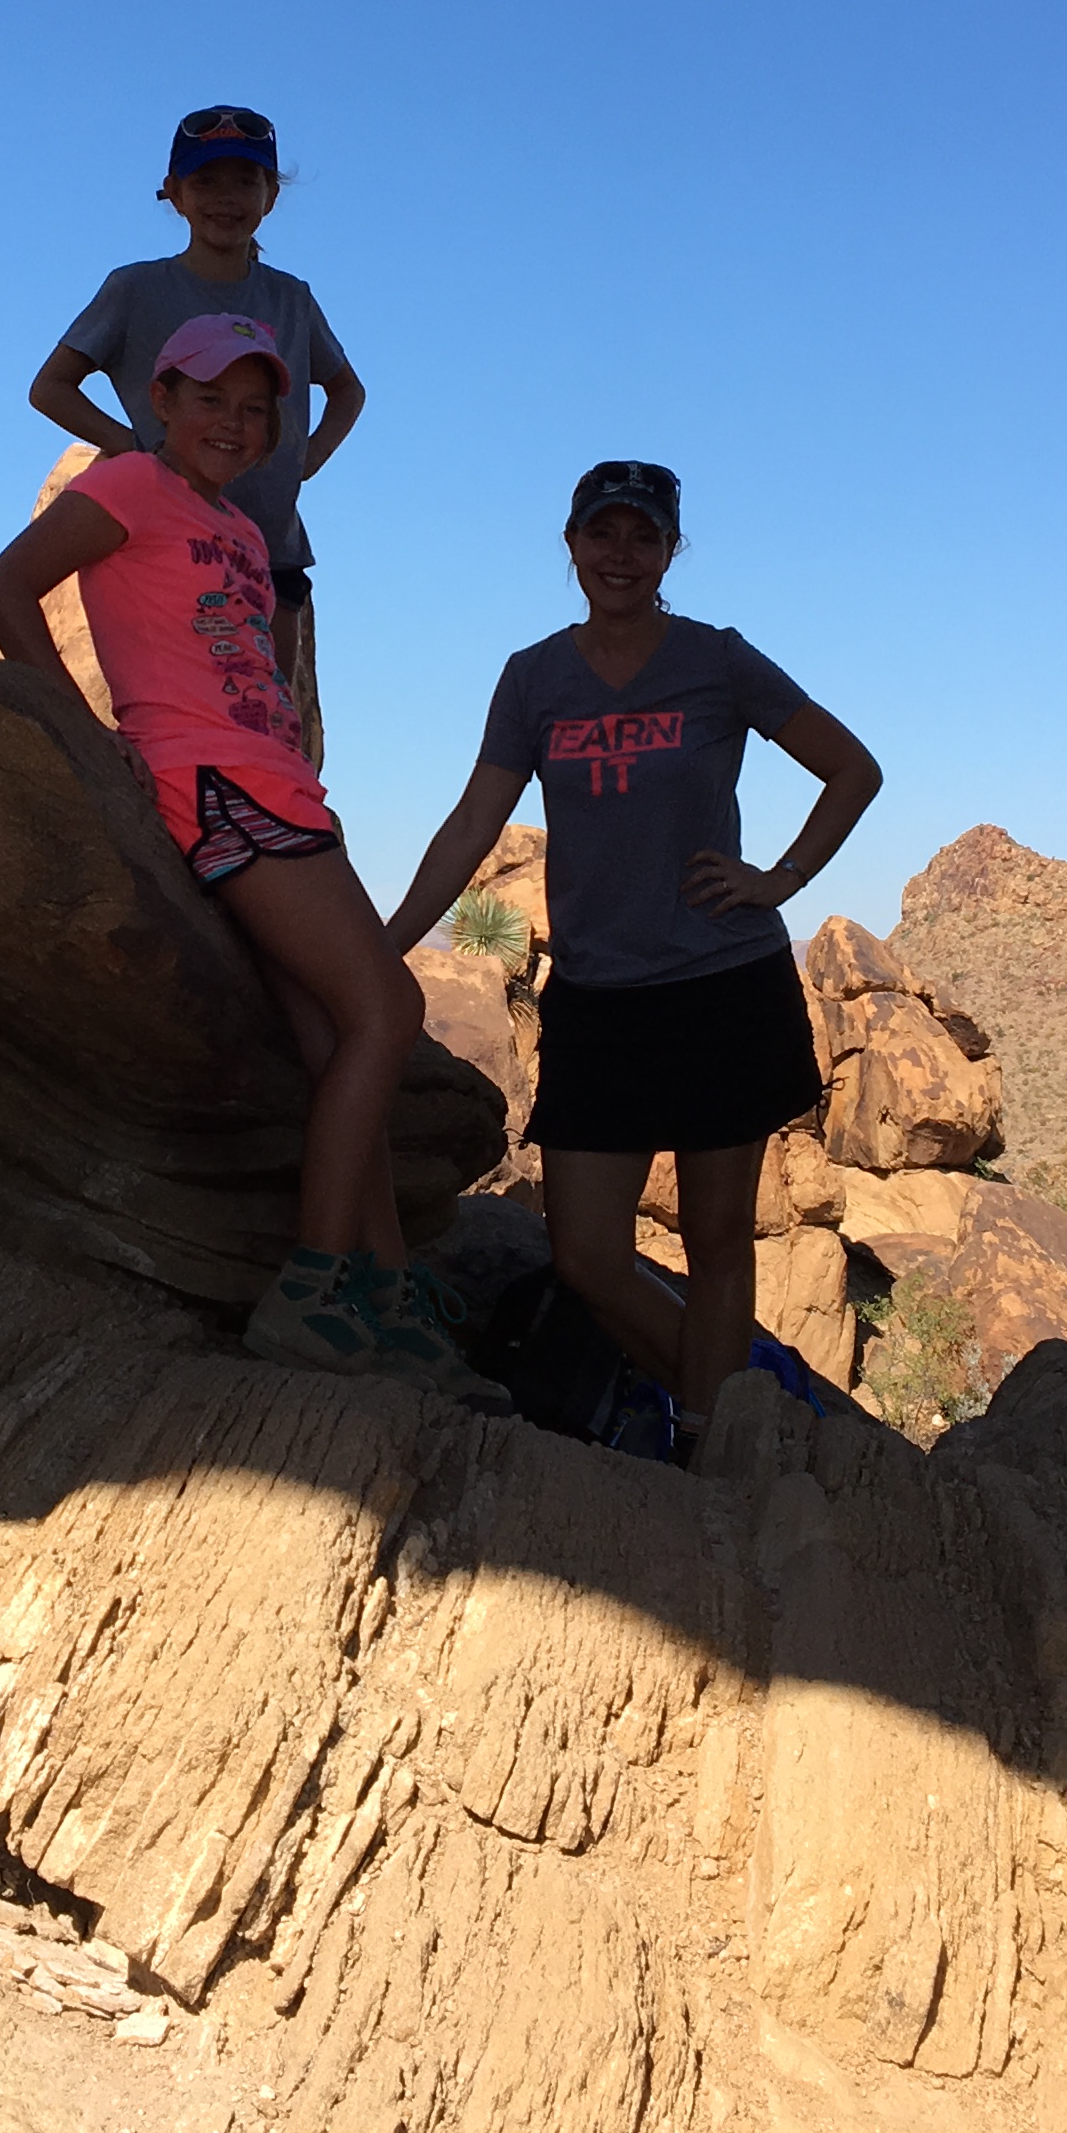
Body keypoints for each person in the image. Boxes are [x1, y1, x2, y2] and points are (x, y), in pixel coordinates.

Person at [0, 311, 507, 1413]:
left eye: (256, 408)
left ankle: (386, 1298)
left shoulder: (241, 531)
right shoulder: (127, 484)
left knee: (335, 1040)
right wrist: (87, 738)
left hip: (277, 785)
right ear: (160, 399)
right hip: (216, 784)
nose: (234, 422)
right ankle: (314, 1290)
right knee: (387, 1012)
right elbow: (5, 588)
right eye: (211, 398)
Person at [384, 461, 883, 1422]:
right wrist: (389, 940)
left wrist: (780, 879)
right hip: (598, 999)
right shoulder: (534, 677)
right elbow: (473, 821)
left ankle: (709, 1443)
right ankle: (736, 1414)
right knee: (587, 1255)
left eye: (644, 536)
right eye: (603, 533)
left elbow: (852, 769)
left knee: (718, 1240)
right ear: (571, 543)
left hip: (721, 985)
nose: (621, 554)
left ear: (670, 551)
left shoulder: (717, 660)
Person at [30, 105, 362, 747]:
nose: (226, 198)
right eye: (206, 182)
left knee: (267, 727)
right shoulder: (136, 290)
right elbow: (50, 387)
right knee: (180, 723)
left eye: (245, 182)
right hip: (170, 550)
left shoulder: (291, 298)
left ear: (270, 197)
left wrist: (305, 459)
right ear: (175, 194)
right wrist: (136, 450)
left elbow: (347, 388)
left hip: (272, 546)